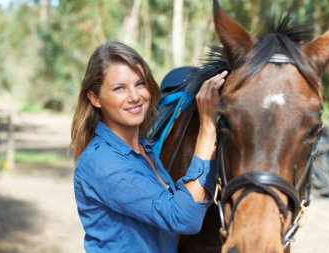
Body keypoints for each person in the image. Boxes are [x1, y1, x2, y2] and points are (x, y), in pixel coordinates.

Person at [71, 40, 228, 253]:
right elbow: (183, 218)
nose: (135, 97)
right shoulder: (102, 162)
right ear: (95, 98)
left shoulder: (144, 148)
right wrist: (207, 127)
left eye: (140, 83)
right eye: (119, 88)